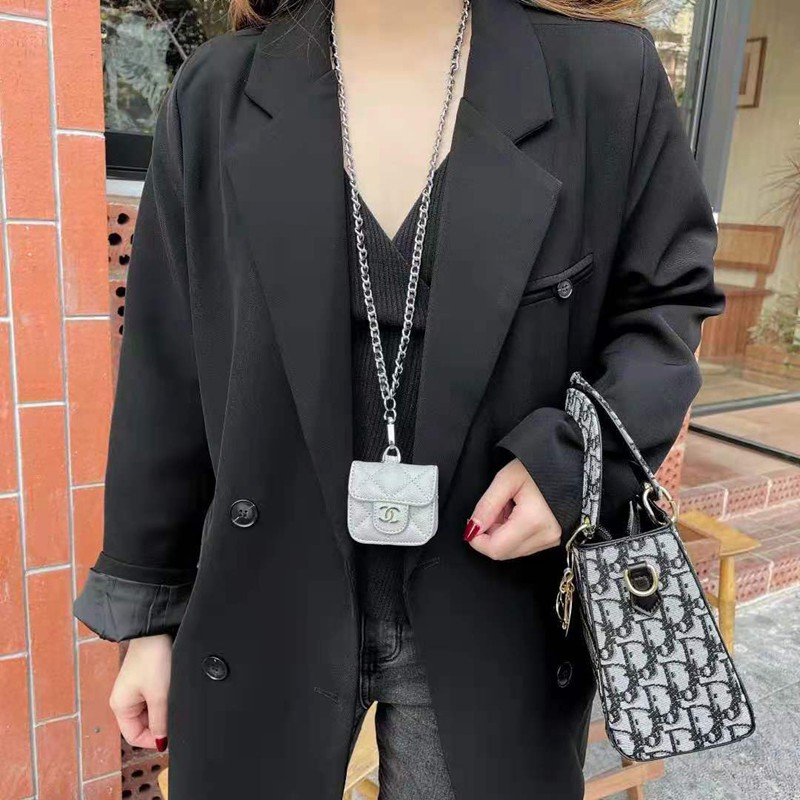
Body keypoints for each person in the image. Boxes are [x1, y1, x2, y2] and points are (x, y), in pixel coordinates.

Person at [73, 0, 726, 797]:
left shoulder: (605, 80)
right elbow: (165, 369)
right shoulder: (215, 94)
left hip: (498, 600)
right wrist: (150, 619)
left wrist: (571, 463)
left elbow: (665, 307)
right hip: (263, 595)